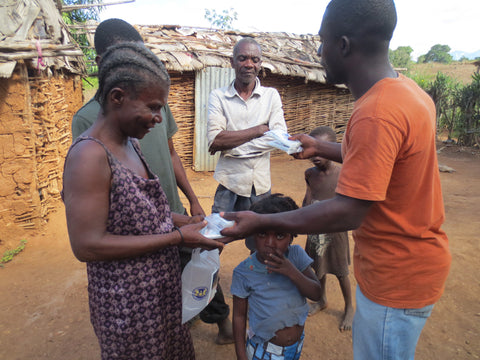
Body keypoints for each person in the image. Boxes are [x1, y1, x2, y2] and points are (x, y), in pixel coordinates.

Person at [221, 1, 451, 359]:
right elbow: (382, 158)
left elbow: (348, 212)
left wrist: (263, 221)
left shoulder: (376, 112)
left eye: (322, 42)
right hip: (414, 264)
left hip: (396, 275)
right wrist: (321, 148)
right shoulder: (407, 92)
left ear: (343, 45)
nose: (318, 52)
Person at [72, 18, 234, 345]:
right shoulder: (89, 154)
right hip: (128, 301)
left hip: (156, 288)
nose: (160, 119)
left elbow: (145, 211)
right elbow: (87, 245)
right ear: (117, 97)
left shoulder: (130, 142)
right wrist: (175, 237)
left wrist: (189, 221)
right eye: (153, 108)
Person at [207, 37, 288, 252]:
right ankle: (211, 284)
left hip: (260, 184)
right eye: (242, 58)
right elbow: (215, 140)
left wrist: (231, 146)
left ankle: (259, 284)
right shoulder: (218, 96)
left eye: (254, 59)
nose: (248, 64)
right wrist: (258, 130)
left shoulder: (271, 96)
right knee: (214, 238)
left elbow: (279, 138)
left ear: (260, 64)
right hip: (228, 182)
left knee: (261, 244)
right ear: (232, 62)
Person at [230, 194, 322, 360]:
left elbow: (316, 293)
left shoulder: (296, 256)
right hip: (263, 349)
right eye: (262, 234)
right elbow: (239, 316)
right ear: (252, 234)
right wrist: (241, 355)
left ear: (292, 235)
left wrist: (291, 271)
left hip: (296, 346)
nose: (270, 243)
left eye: (280, 236)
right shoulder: (243, 272)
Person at [302, 126, 354, 332]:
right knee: (318, 267)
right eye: (312, 151)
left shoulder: (343, 173)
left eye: (321, 150)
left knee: (341, 271)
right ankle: (321, 299)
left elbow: (348, 205)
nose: (316, 156)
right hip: (315, 228)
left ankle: (349, 306)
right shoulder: (310, 174)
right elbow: (307, 199)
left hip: (336, 230)